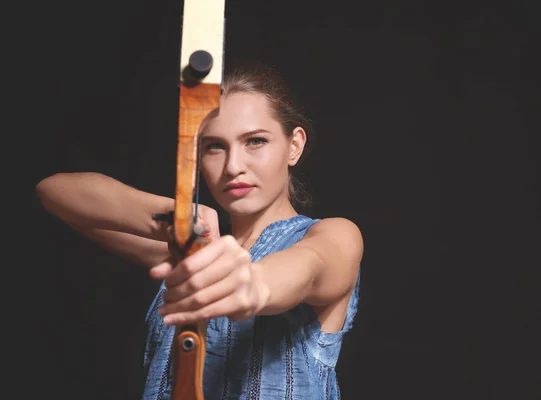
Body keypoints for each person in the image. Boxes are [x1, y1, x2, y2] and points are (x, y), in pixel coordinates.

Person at [36, 60, 363, 400]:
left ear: (293, 145)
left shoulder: (333, 235)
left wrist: (253, 285)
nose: (233, 166)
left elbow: (306, 267)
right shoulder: (192, 251)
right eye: (214, 146)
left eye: (255, 141)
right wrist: (174, 215)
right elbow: (54, 192)